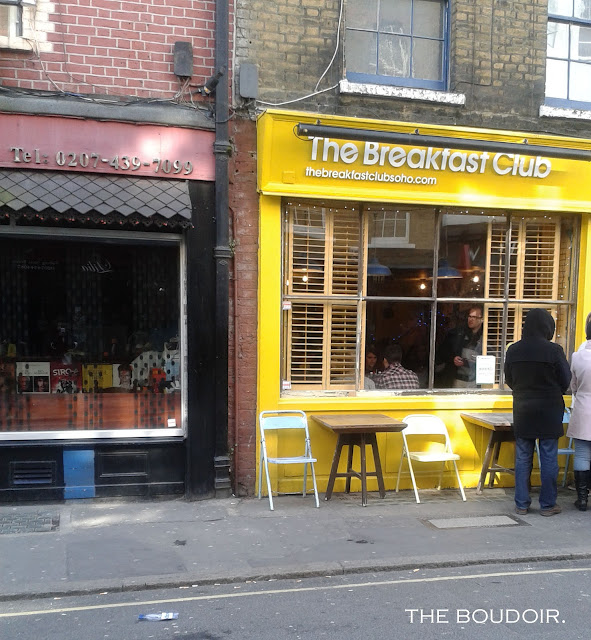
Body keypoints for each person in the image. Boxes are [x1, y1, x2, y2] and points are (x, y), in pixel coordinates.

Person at [504, 309, 571, 516]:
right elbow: (566, 379)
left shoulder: (514, 350)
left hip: (523, 409)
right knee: (549, 456)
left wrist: (523, 391)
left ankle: (522, 504)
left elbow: (509, 379)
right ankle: (548, 505)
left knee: (523, 456)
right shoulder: (554, 350)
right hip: (549, 409)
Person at [566, 312, 591, 511]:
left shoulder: (577, 356)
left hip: (583, 408)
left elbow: (573, 386)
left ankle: (582, 499)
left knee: (582, 454)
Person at [451, 305, 484, 388]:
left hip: (476, 380)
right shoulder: (461, 334)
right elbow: (453, 352)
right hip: (459, 378)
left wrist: (467, 362)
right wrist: (454, 358)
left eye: (474, 317)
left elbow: (488, 360)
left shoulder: (485, 337)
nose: (471, 319)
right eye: (469, 316)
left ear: (482, 319)